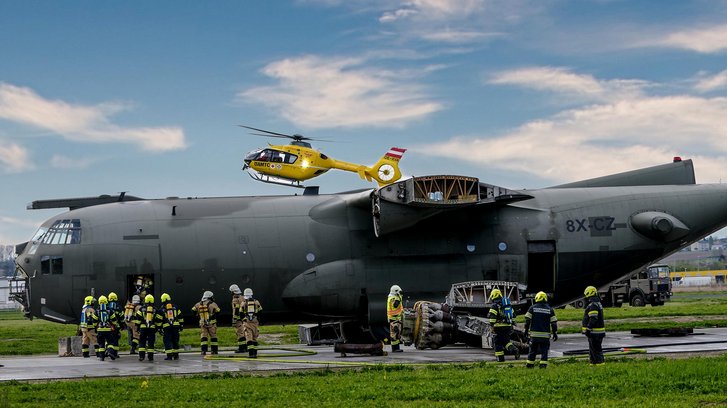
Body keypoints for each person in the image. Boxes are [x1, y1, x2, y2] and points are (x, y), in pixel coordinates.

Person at [523, 291, 558, 369]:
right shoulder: (550, 309)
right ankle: (543, 366)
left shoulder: (532, 308)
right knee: (544, 352)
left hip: (534, 336)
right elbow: (554, 323)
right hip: (545, 337)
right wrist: (555, 333)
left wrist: (525, 331)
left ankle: (529, 366)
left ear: (537, 298)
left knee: (532, 351)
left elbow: (527, 321)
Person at [487, 288, 519, 361]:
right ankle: (514, 350)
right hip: (507, 327)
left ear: (492, 296)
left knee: (497, 342)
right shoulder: (507, 305)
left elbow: (492, 318)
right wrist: (511, 324)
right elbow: (513, 315)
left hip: (498, 328)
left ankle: (500, 359)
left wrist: (492, 326)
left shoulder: (494, 306)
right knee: (506, 342)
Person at [582, 285, 606, 365]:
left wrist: (588, 328)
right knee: (593, 350)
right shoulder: (597, 303)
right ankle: (593, 364)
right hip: (597, 332)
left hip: (595, 332)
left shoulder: (593, 305)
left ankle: (600, 365)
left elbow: (593, 318)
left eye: (587, 295)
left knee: (596, 350)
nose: (586, 297)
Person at [192, 290, 221, 355]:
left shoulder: (199, 304)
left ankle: (203, 351)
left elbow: (193, 310)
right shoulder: (213, 304)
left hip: (202, 323)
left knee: (203, 336)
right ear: (210, 297)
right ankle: (214, 351)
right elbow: (218, 311)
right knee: (213, 337)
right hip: (211, 324)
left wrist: (198, 315)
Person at [134, 294, 161, 362]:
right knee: (151, 342)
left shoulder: (141, 309)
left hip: (143, 328)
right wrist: (157, 328)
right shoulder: (155, 309)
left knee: (142, 342)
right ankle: (150, 357)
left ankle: (141, 356)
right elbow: (158, 319)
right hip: (152, 328)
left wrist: (137, 328)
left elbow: (138, 319)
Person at [158, 293, 184, 360]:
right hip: (175, 327)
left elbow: (159, 320)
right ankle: (176, 355)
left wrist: (159, 328)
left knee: (167, 341)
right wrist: (181, 325)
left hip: (167, 327)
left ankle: (169, 356)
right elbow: (180, 316)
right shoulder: (175, 307)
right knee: (175, 340)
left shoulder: (162, 309)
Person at [96, 295, 121, 361]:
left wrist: (96, 326)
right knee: (110, 341)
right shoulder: (110, 310)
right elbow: (114, 320)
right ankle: (110, 351)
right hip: (108, 329)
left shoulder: (97, 310)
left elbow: (94, 320)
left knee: (101, 343)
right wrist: (115, 325)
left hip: (100, 329)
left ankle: (102, 357)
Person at [241, 288, 263, 358]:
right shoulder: (256, 302)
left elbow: (240, 313)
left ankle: (251, 354)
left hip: (247, 323)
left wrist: (243, 319)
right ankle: (255, 354)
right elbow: (260, 311)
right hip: (255, 322)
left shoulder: (243, 303)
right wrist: (257, 319)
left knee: (249, 338)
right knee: (254, 338)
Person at [387, 284, 404, 353]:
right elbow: (395, 306)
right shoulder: (393, 298)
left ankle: (396, 348)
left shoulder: (393, 297)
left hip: (396, 318)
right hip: (394, 318)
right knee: (394, 333)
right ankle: (395, 348)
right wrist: (399, 298)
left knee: (396, 333)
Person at [229, 284, 246, 353]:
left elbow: (236, 310)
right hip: (244, 318)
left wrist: (234, 319)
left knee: (239, 333)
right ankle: (245, 347)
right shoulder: (243, 297)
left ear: (233, 292)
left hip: (238, 320)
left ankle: (241, 348)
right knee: (244, 332)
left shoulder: (235, 299)